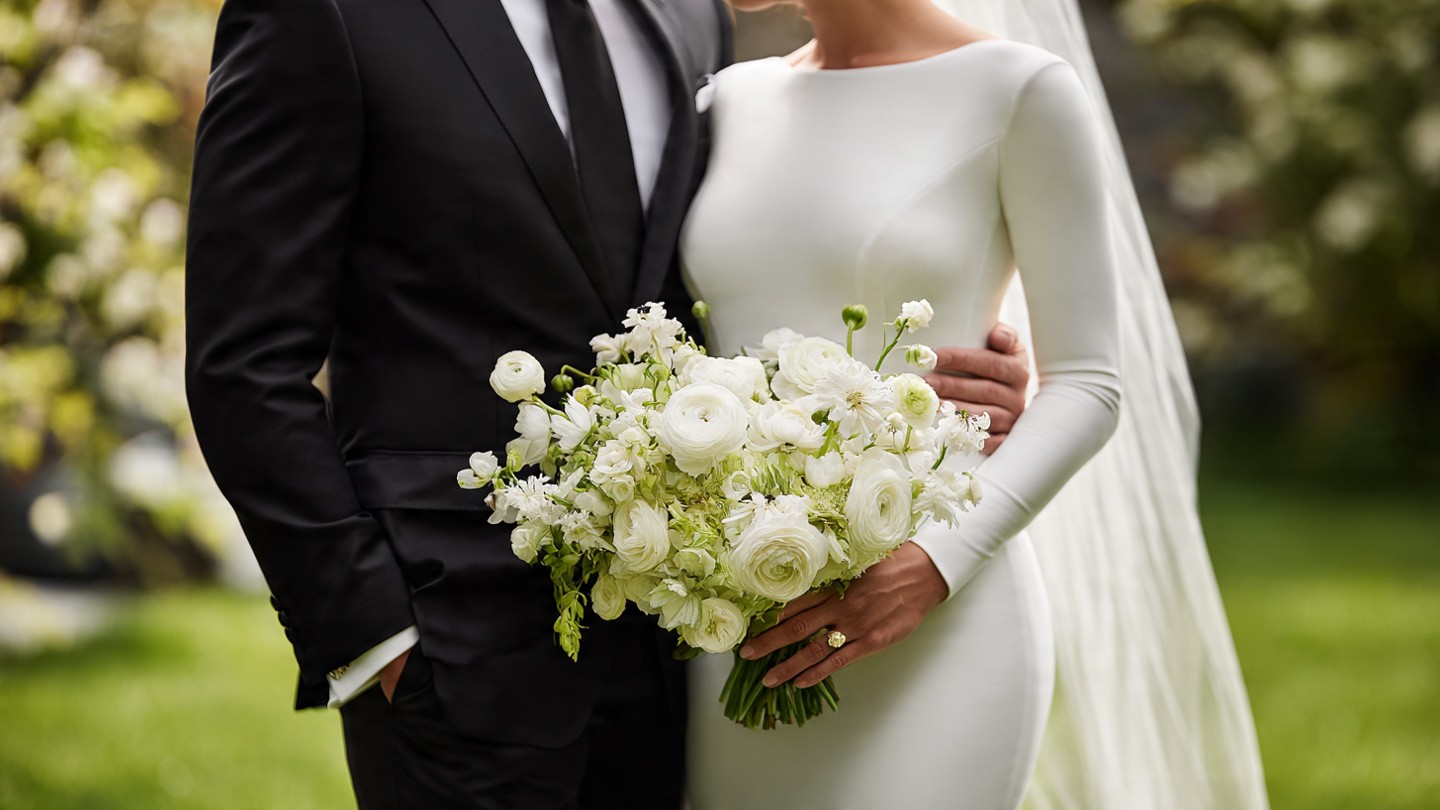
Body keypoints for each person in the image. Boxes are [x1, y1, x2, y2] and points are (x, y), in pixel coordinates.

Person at [183, 0, 1031, 806]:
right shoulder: (326, 12)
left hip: (678, 651)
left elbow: (725, 280)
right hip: (447, 650)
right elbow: (242, 363)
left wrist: (916, 391)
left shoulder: (687, 14)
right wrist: (376, 642)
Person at [680, 0, 1268, 808]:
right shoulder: (727, 102)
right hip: (730, 620)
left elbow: (1090, 384)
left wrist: (929, 565)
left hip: (939, 614)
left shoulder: (1019, 90)